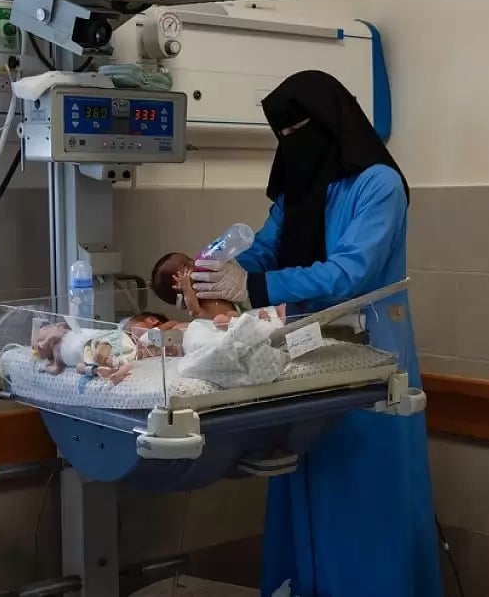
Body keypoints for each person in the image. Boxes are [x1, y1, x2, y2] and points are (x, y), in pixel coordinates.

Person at [186, 70, 443, 597]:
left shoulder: (379, 186)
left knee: (365, 504)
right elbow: (267, 248)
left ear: (331, 123)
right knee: (302, 481)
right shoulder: (299, 190)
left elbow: (352, 274)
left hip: (370, 361)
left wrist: (253, 285)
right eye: (281, 135)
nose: (291, 143)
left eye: (299, 129)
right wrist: (216, 273)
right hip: (301, 359)